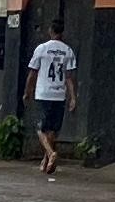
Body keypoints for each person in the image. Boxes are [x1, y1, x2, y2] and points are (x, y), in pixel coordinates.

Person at [24, 22, 79, 176]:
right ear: (63, 32)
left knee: (40, 129)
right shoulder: (68, 51)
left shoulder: (42, 49)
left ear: (50, 31)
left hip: (44, 94)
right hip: (59, 95)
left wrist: (27, 91)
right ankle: (46, 159)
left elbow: (32, 73)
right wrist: (73, 97)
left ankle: (50, 152)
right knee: (53, 129)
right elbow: (69, 77)